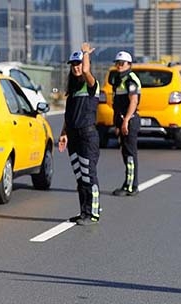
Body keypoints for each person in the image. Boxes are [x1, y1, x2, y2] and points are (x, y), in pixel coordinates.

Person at [57, 43, 101, 226]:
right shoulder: (73, 90)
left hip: (87, 136)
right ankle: (83, 211)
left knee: (88, 174)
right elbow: (69, 115)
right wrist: (64, 134)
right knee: (79, 176)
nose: (76, 67)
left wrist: (85, 55)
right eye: (73, 64)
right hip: (74, 136)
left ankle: (93, 213)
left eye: (79, 64)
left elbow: (87, 72)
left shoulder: (91, 85)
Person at [110, 51, 141, 196]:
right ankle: (128, 183)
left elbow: (133, 101)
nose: (119, 66)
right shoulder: (118, 79)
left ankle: (131, 186)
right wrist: (117, 124)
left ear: (129, 64)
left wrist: (126, 121)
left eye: (122, 63)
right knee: (125, 153)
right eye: (117, 63)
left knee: (130, 154)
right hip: (122, 120)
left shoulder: (130, 80)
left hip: (129, 120)